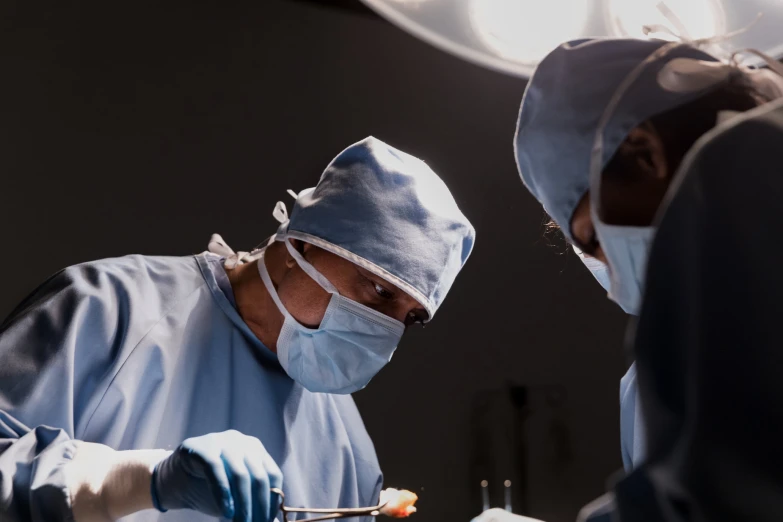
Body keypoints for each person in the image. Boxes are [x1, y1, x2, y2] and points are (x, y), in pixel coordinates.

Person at [0, 136, 476, 522]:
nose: (387, 330)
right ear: (302, 248)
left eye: (411, 318)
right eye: (378, 290)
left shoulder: (348, 448)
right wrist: (139, 481)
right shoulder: (109, 309)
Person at [472, 34, 783, 522]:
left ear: (643, 153)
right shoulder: (662, 364)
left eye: (595, 237)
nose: (611, 273)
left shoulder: (756, 168)